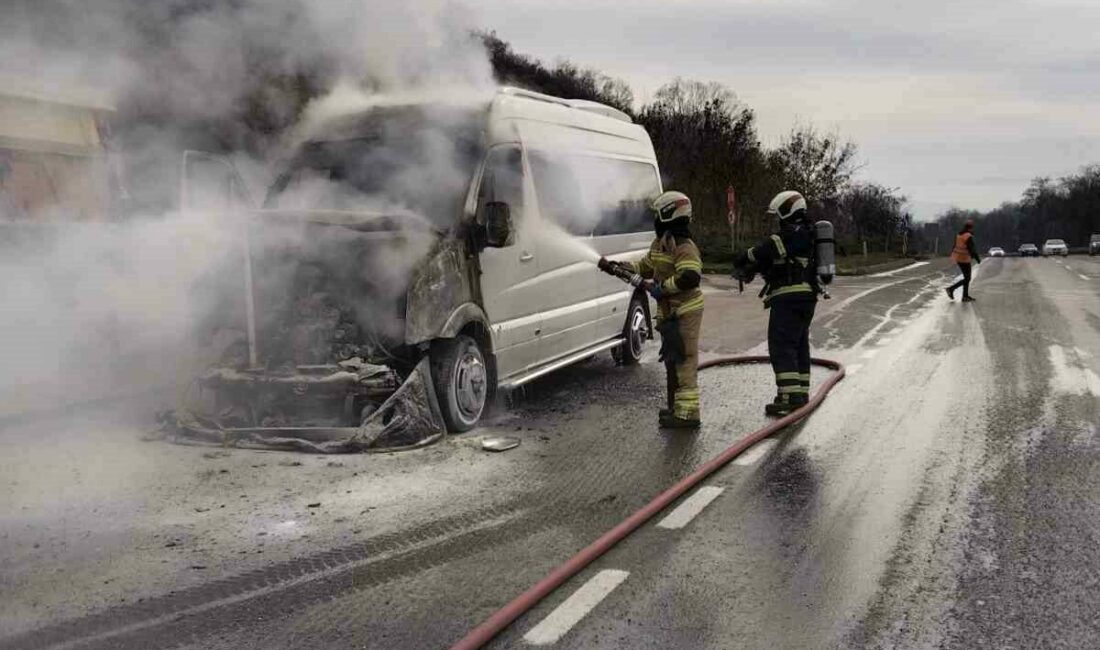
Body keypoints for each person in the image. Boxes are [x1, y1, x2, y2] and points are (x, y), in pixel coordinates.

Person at [598, 191, 704, 429]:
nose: (655, 219)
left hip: (685, 311)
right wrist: (619, 267)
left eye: (658, 215)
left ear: (669, 215)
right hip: (669, 313)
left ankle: (688, 415)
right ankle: (676, 408)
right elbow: (646, 266)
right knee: (670, 360)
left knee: (684, 360)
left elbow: (690, 277)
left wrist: (662, 288)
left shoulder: (685, 247)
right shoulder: (660, 243)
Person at [733, 190, 819, 417]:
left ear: (786, 211)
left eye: (778, 215)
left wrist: (744, 258)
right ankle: (800, 393)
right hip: (806, 297)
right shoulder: (808, 233)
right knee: (798, 344)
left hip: (789, 298)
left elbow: (767, 249)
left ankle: (789, 397)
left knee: (781, 345)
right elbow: (775, 260)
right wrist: (752, 270)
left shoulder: (791, 234)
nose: (777, 220)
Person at [946, 220, 980, 302]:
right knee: (967, 278)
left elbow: (955, 246)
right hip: (964, 259)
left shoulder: (959, 235)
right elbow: (972, 249)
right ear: (971, 228)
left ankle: (965, 296)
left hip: (958, 258)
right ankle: (951, 289)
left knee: (966, 278)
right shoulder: (968, 236)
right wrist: (977, 258)